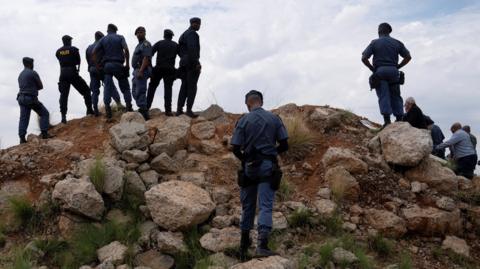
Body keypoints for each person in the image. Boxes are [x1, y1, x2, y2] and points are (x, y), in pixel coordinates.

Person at [231, 90, 289, 259]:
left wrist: (245, 158)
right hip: (267, 167)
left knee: (247, 205)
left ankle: (243, 247)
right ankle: (262, 246)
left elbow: (235, 147)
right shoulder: (274, 119)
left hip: (249, 167)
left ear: (248, 104)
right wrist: (271, 153)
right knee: (265, 205)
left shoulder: (243, 120)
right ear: (261, 102)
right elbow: (285, 144)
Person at [362, 23, 412, 127]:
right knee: (396, 96)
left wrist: (373, 69)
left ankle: (387, 121)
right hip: (393, 72)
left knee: (383, 95)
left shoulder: (375, 43)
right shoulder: (397, 43)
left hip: (380, 72)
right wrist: (398, 67)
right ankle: (399, 119)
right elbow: (408, 57)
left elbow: (364, 58)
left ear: (379, 31)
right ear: (389, 32)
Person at [93, 23, 132, 119]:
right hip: (118, 65)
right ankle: (128, 106)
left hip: (107, 66)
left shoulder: (103, 39)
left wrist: (97, 65)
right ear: (115, 30)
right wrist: (127, 64)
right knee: (125, 87)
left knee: (108, 86)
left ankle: (107, 109)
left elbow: (94, 52)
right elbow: (126, 50)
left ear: (107, 30)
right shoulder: (120, 37)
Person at [55, 35, 94, 123]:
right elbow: (78, 61)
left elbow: (59, 59)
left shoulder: (58, 51)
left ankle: (63, 117)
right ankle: (89, 110)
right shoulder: (74, 49)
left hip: (62, 74)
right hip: (72, 72)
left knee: (63, 96)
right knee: (86, 90)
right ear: (69, 41)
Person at [86, 31, 123, 116]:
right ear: (101, 37)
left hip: (92, 70)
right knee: (111, 87)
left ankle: (95, 109)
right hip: (102, 69)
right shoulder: (102, 45)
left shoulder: (89, 48)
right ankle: (119, 104)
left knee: (95, 91)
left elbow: (88, 60)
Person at [17, 57, 52, 143]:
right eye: (32, 63)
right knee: (44, 113)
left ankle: (22, 138)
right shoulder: (33, 73)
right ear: (30, 64)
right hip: (30, 98)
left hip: (21, 98)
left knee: (24, 118)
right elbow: (40, 86)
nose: (33, 65)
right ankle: (44, 134)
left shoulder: (20, 75)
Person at [147, 29, 178, 116]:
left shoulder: (159, 43)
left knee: (152, 87)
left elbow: (149, 54)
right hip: (170, 69)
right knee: (168, 89)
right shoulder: (175, 45)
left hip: (158, 68)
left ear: (164, 35)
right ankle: (168, 110)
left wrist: (151, 67)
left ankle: (146, 107)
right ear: (171, 36)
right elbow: (182, 56)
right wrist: (177, 70)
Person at [177, 17, 202, 118]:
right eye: (197, 23)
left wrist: (184, 58)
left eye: (199, 23)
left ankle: (179, 110)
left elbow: (179, 49)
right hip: (191, 62)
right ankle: (188, 110)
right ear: (192, 23)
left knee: (184, 85)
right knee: (192, 87)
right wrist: (196, 63)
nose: (198, 25)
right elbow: (192, 48)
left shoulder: (183, 34)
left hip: (184, 62)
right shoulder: (192, 34)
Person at [131, 26, 153, 120]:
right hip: (136, 70)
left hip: (142, 69)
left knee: (140, 89)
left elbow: (146, 58)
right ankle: (142, 106)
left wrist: (141, 71)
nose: (140, 34)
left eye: (142, 32)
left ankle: (144, 111)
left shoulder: (146, 44)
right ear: (136, 34)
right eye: (139, 32)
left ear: (145, 33)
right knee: (134, 91)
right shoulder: (138, 45)